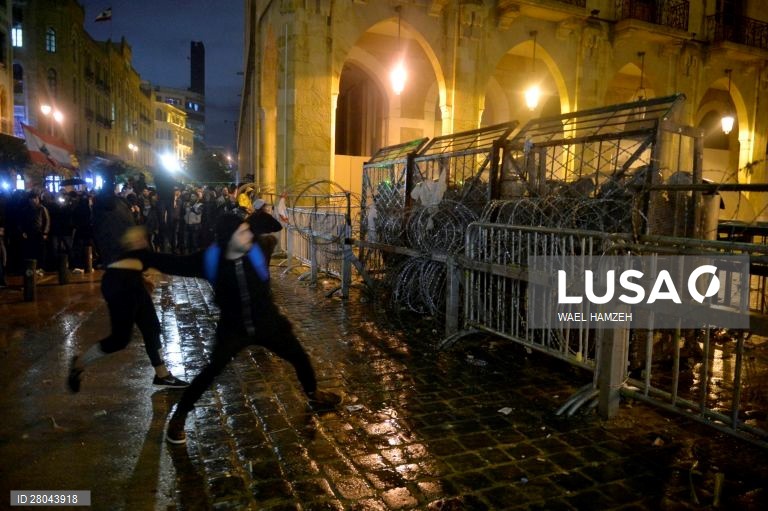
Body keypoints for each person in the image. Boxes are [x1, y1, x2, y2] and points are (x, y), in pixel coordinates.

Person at [134, 213, 342, 444]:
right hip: (233, 328)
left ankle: (313, 393)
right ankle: (179, 417)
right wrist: (141, 255)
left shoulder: (257, 247)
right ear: (228, 238)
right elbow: (173, 263)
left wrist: (252, 220)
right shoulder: (210, 259)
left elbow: (274, 226)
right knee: (210, 372)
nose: (248, 236)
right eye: (242, 233)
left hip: (267, 322)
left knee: (299, 356)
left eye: (247, 231)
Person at [67, 182, 189, 393]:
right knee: (120, 339)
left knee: (152, 327)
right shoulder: (104, 212)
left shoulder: (119, 210)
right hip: (119, 283)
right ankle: (79, 363)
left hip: (132, 280)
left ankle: (162, 375)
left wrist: (141, 273)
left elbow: (137, 247)